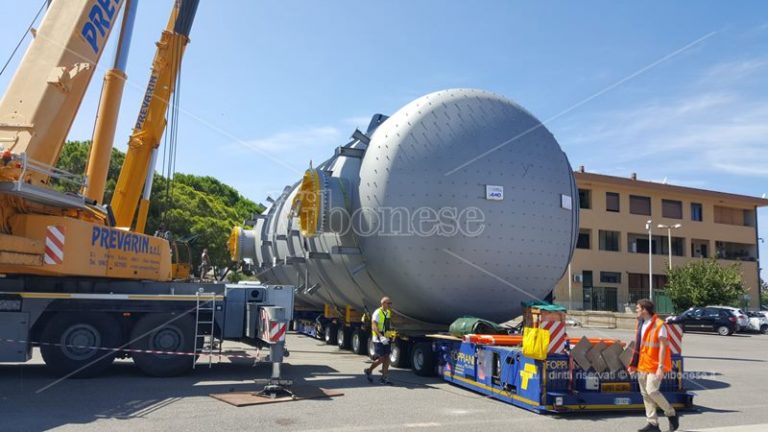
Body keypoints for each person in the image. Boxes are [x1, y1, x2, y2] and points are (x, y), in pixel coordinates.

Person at [628, 298, 679, 432]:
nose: (636, 311)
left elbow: (663, 347)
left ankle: (671, 413)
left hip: (655, 366)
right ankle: (653, 424)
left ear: (644, 310)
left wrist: (661, 367)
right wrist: (633, 364)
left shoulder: (659, 325)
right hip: (643, 364)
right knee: (645, 395)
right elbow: (638, 345)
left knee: (652, 391)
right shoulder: (640, 323)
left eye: (638, 308)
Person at [363, 297, 394, 385]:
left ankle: (384, 378)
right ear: (383, 303)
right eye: (388, 303)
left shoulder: (388, 312)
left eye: (390, 303)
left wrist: (391, 333)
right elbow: (374, 326)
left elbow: (387, 325)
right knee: (381, 358)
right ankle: (369, 370)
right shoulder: (377, 312)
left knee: (387, 358)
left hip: (386, 337)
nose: (389, 305)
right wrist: (381, 337)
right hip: (378, 338)